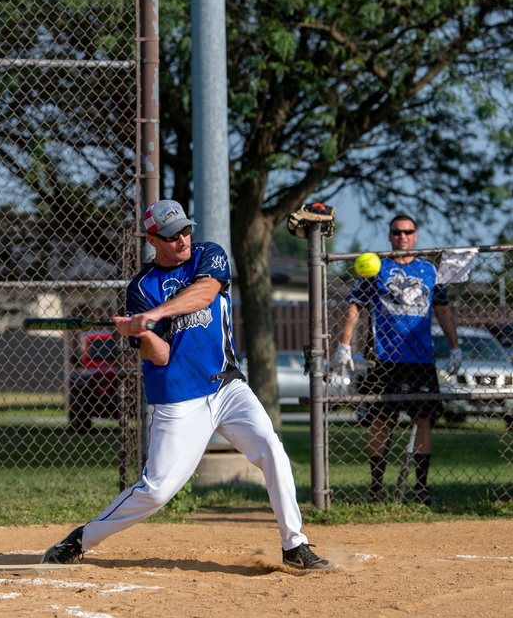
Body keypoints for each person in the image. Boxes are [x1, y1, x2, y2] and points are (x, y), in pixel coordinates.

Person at [42, 200, 333, 570]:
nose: (181, 240)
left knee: (271, 449)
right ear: (152, 239)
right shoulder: (142, 288)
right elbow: (159, 356)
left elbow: (206, 292)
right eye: (170, 235)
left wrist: (155, 314)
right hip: (179, 399)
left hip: (227, 386)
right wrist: (143, 330)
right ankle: (81, 539)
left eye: (184, 230)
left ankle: (295, 545)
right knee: (157, 491)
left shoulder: (207, 255)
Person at [332, 214, 461, 504]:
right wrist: (344, 345)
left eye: (408, 232)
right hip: (384, 359)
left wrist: (455, 346)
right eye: (397, 232)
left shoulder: (430, 270)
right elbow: (356, 306)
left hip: (421, 359)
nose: (403, 236)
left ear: (415, 235)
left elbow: (442, 309)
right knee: (380, 420)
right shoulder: (377, 268)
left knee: (424, 420)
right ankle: (376, 489)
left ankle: (421, 488)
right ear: (390, 236)